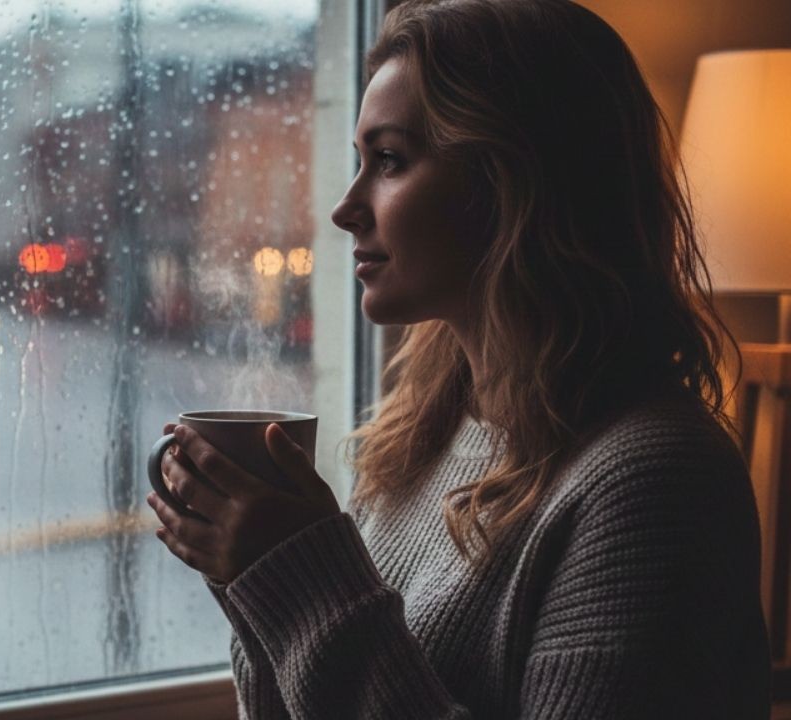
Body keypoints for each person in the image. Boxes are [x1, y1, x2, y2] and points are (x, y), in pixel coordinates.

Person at [145, 0, 772, 716]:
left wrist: (307, 580)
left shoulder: (655, 482)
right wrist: (257, 574)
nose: (345, 208)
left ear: (514, 183)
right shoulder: (425, 436)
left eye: (389, 160)